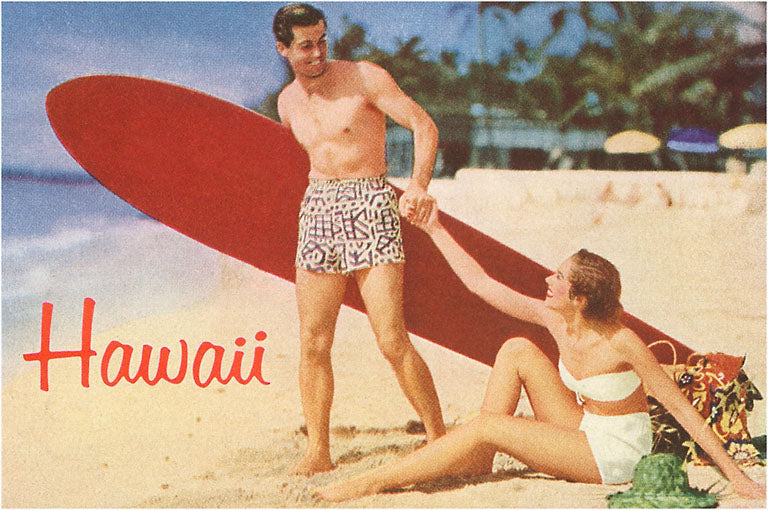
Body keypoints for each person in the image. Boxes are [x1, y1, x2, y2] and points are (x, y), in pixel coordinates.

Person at [315, 197, 766, 501]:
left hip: (615, 454)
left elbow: (682, 409)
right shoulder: (557, 319)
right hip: (585, 426)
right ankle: (479, 457)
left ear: (580, 298)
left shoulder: (621, 341)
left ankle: (369, 483)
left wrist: (738, 478)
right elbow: (481, 285)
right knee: (516, 348)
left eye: (559, 278)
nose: (548, 280)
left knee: (487, 425)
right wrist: (434, 227)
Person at [272, 3, 446, 475]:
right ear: (283, 49)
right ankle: (318, 452)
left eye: (322, 40)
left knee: (390, 338)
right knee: (313, 341)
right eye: (305, 46)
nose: (317, 53)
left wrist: (418, 185)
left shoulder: (365, 78)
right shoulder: (286, 103)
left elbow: (424, 126)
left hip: (369, 201)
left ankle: (439, 438)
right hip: (318, 208)